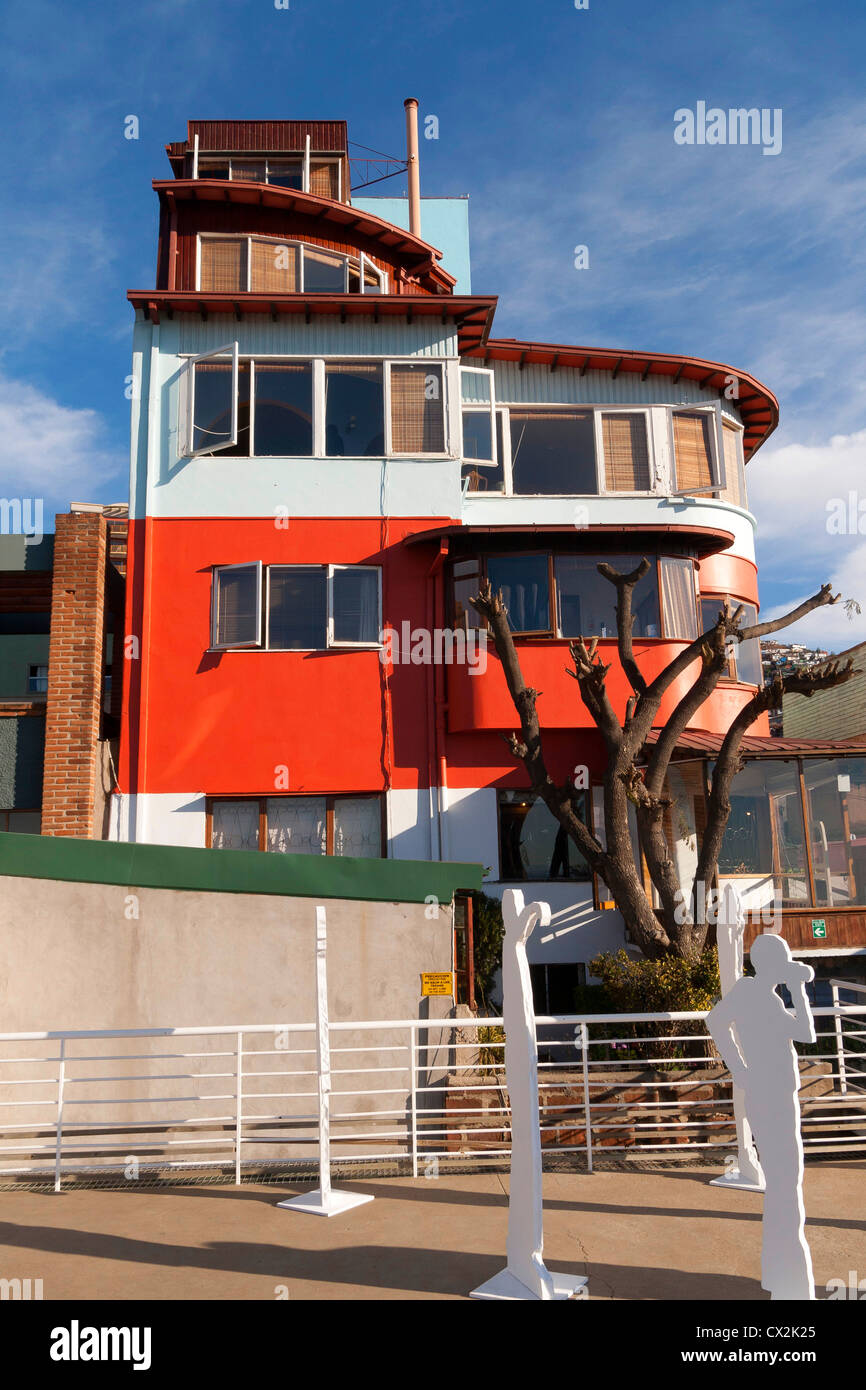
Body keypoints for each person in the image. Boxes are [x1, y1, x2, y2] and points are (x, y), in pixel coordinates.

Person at [706, 933, 816, 1300]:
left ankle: (779, 1272)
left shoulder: (761, 995)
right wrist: (739, 1068)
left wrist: (740, 1069)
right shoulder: (754, 993)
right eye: (783, 962)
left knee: (786, 1184)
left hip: (773, 1093)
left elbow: (805, 1034)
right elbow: (806, 1032)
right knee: (786, 1182)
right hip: (771, 1096)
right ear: (773, 964)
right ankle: (789, 1276)